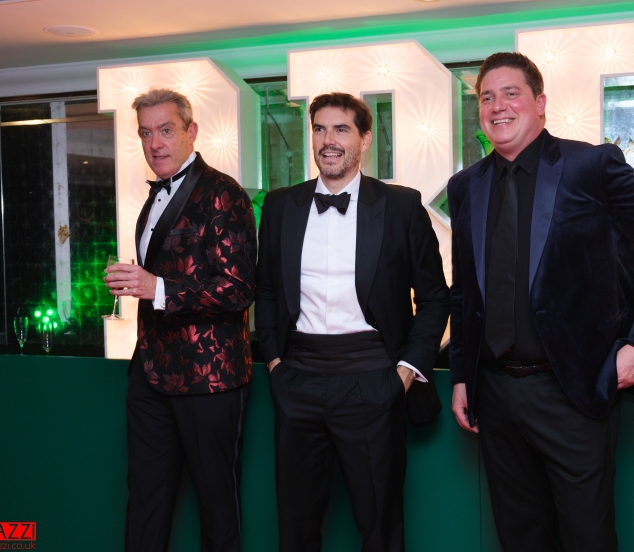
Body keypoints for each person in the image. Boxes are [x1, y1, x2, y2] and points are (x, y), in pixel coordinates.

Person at [447, 53, 634, 551]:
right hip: (493, 392)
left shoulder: (591, 166)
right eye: (487, 97)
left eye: (511, 93)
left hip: (573, 390)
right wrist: (460, 375)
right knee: (519, 537)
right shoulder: (464, 186)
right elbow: (464, 291)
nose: (498, 106)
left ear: (540, 103)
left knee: (587, 537)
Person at [255, 92, 450, 552]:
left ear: (364, 139)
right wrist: (276, 364)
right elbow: (266, 291)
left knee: (380, 528)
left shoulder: (402, 206)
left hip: (373, 379)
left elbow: (435, 298)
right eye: (319, 129)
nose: (328, 140)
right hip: (297, 379)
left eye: (341, 129)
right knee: (295, 529)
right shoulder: (281, 206)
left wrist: (404, 374)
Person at [104, 88, 256, 552]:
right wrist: (140, 285)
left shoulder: (225, 192)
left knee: (216, 507)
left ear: (192, 131)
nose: (155, 144)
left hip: (208, 378)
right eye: (145, 133)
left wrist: (157, 288)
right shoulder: (152, 198)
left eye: (166, 130)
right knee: (144, 502)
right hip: (149, 373)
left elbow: (238, 289)